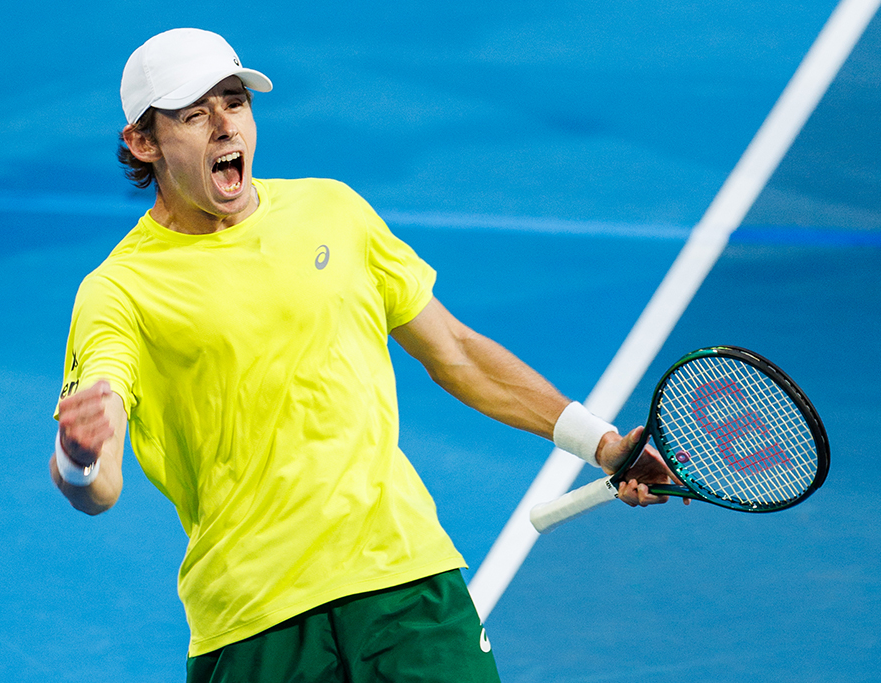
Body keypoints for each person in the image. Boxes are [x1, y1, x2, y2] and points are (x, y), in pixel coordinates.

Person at [49, 27, 680, 683]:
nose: (222, 126)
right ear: (142, 141)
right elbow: (99, 486)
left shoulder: (333, 210)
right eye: (192, 114)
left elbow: (456, 353)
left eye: (233, 102)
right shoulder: (119, 291)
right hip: (256, 616)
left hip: (402, 575)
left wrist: (602, 444)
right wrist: (77, 456)